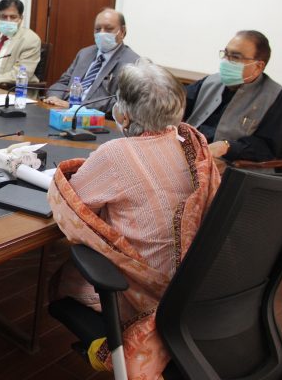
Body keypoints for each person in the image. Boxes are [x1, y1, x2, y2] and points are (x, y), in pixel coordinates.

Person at [48, 59, 220, 377]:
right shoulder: (191, 145)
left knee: (66, 278)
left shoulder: (116, 153)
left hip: (145, 297)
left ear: (124, 114)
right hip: (193, 287)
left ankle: (107, 343)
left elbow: (74, 207)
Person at [184, 30, 282, 162]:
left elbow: (267, 148)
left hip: (230, 165)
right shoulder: (210, 81)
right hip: (189, 154)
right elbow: (177, 104)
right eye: (225, 54)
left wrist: (227, 147)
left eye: (235, 57)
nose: (226, 61)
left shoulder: (275, 97)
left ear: (258, 66)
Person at [44, 8, 139, 113]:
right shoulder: (84, 53)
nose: (102, 33)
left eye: (108, 29)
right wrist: (54, 98)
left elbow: (122, 103)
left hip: (94, 117)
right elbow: (62, 83)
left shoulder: (133, 63)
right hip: (61, 111)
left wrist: (77, 106)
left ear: (122, 31)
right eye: (97, 29)